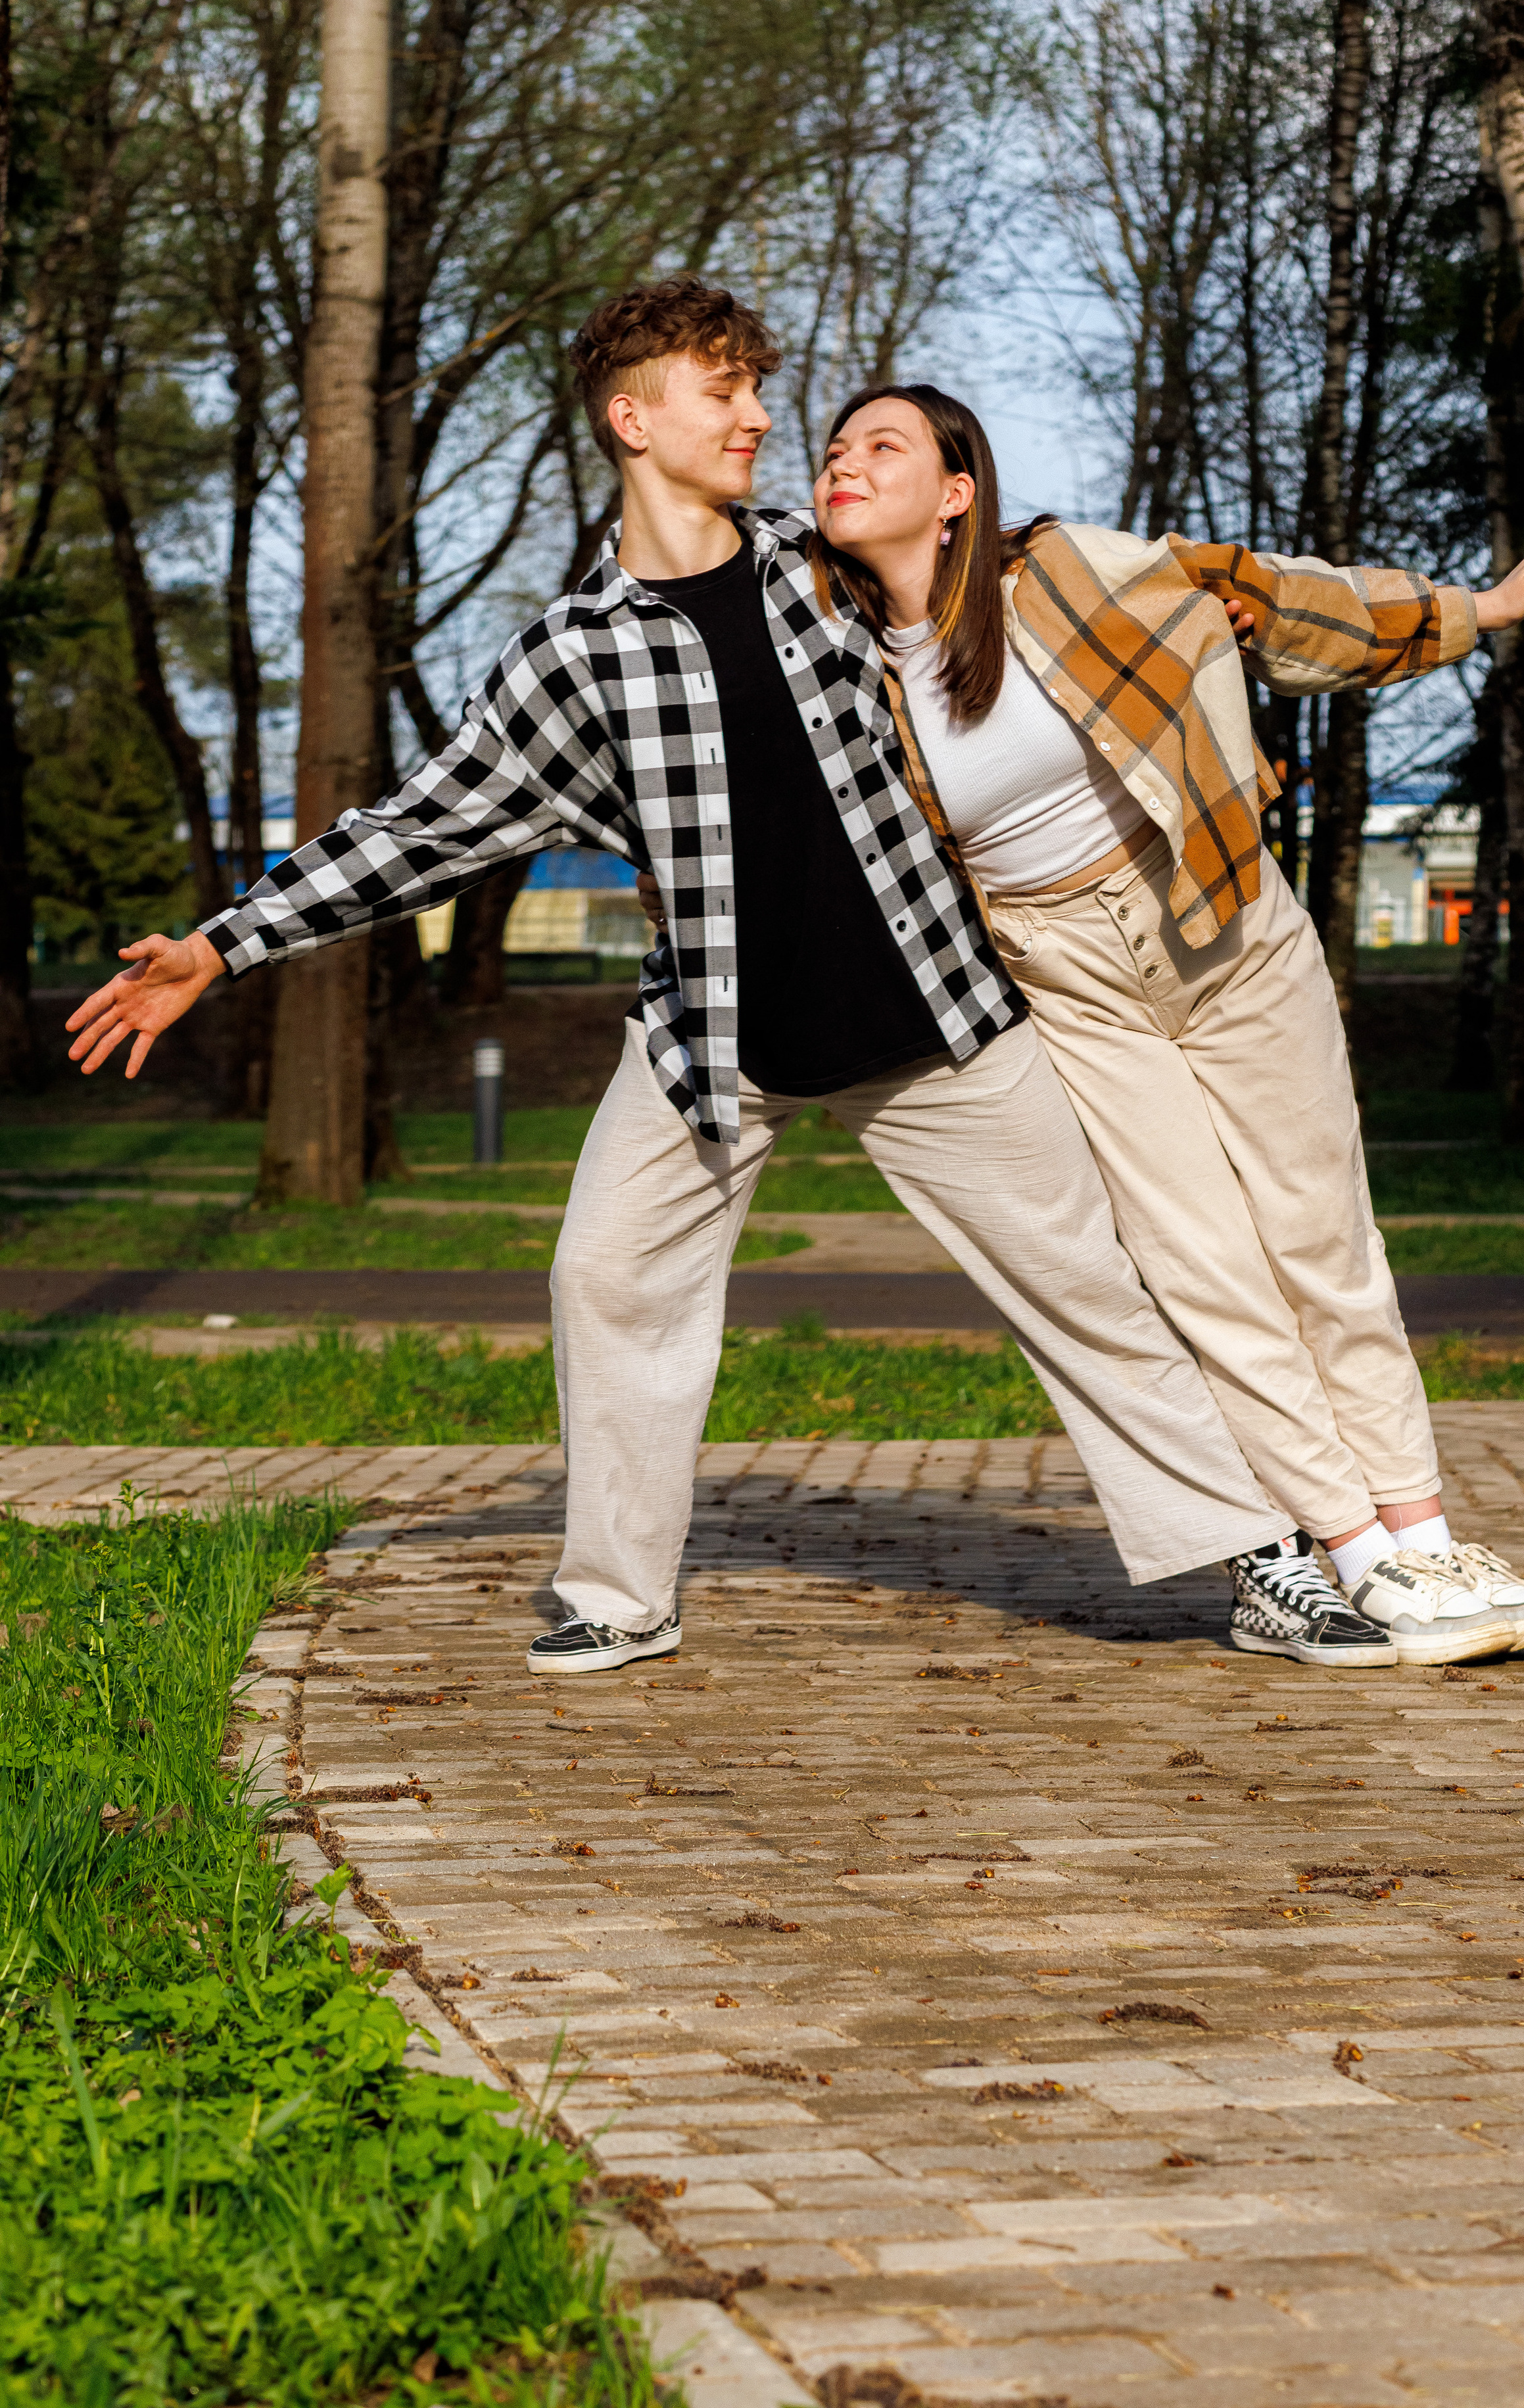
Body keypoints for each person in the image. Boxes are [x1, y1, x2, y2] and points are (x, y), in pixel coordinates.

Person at [64, 276, 1368, 1677]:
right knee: (604, 1277)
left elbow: (1029, 611)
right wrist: (220, 943)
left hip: (937, 1020)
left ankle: (1264, 1563)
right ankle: (617, 1594)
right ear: (633, 420)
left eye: (756, 387)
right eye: (721, 390)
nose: (756, 415)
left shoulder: (828, 572)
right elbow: (421, 828)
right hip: (712, 1049)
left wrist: (1201, 678)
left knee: (1092, 1287)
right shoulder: (575, 656)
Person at [793, 381, 1524, 1668]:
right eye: (831, 450)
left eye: (881, 445)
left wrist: (1470, 613)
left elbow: (1266, 595)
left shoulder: (1063, 573)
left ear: (955, 491)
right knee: (1203, 1270)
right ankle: (1361, 1561)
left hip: (1215, 918)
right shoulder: (833, 656)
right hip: (1064, 975)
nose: (843, 462)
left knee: (1317, 1240)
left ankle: (1423, 1534)